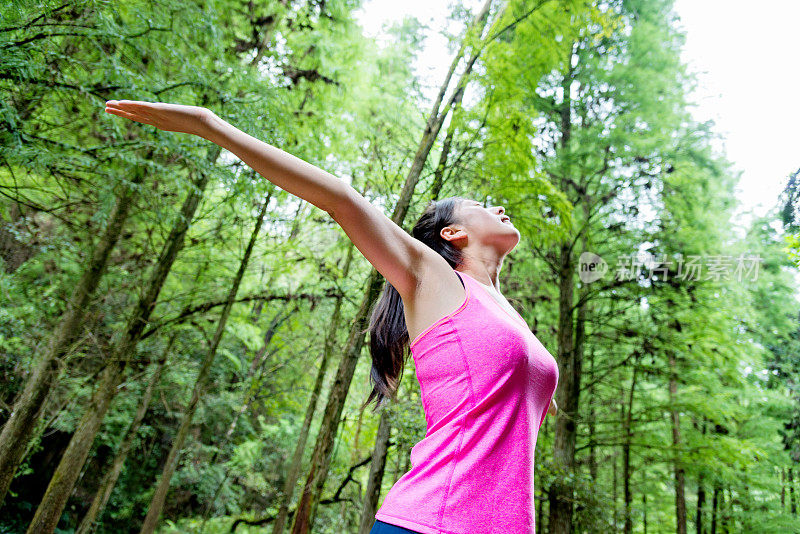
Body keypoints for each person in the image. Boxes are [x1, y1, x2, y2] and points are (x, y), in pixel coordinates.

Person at [104, 100, 559, 534]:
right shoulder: (435, 279)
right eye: (481, 206)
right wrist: (210, 125)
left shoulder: (508, 318)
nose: (498, 208)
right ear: (453, 233)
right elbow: (341, 199)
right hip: (432, 522)